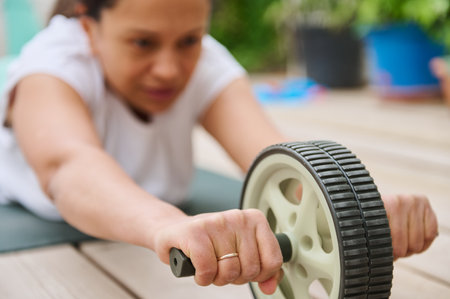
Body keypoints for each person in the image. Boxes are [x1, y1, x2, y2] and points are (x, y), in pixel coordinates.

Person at [0, 0, 438, 295]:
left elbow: (280, 160)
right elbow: (67, 169)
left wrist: (365, 215)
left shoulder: (206, 57)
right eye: (142, 43)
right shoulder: (51, 62)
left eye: (189, 40)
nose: (169, 69)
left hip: (160, 199)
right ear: (88, 25)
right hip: (41, 211)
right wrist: (165, 225)